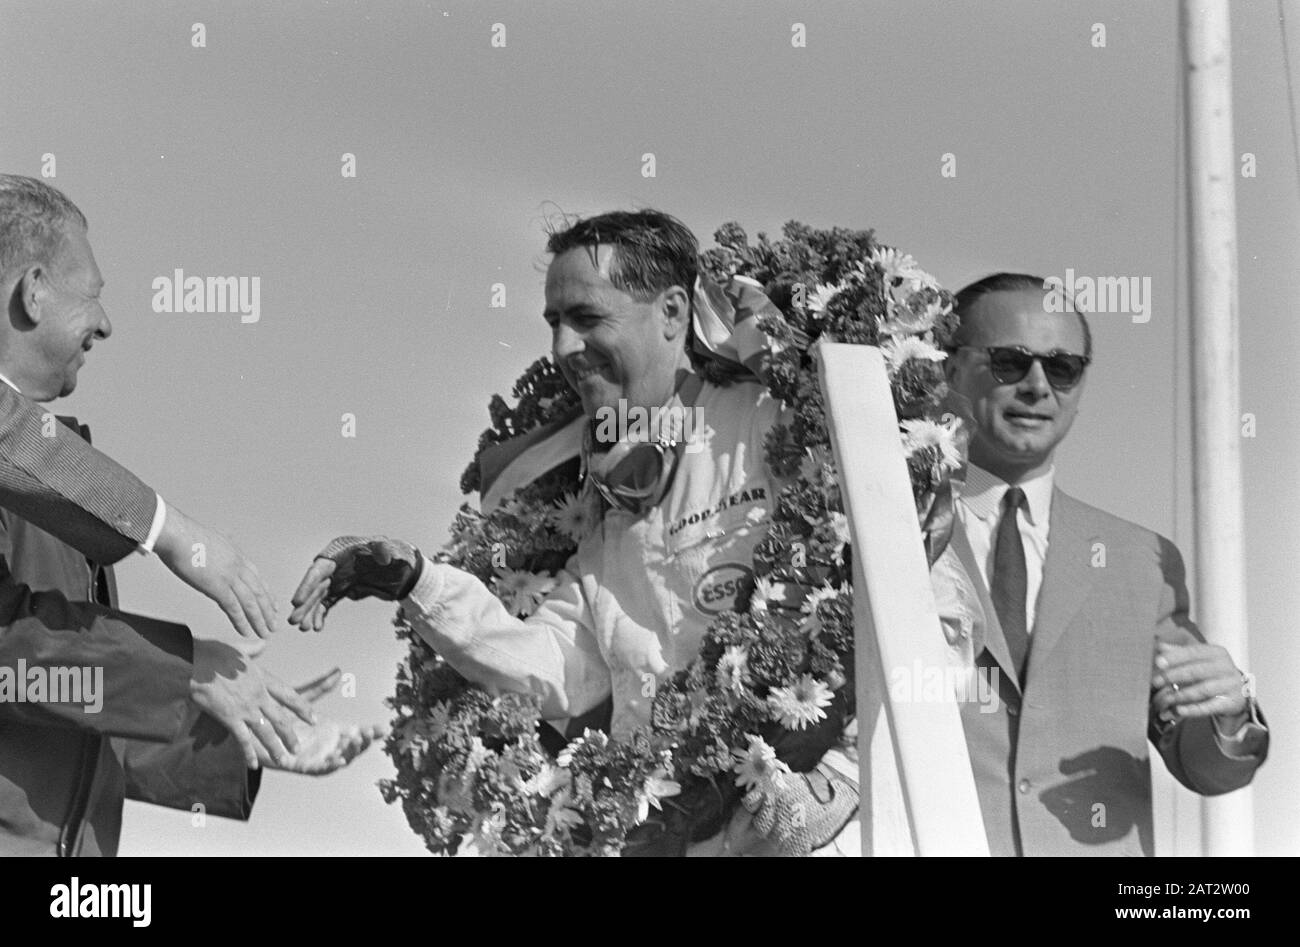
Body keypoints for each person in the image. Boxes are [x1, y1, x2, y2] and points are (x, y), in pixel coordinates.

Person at [291, 209, 859, 856]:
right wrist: (416, 581)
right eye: (554, 323)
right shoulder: (596, 484)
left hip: (821, 831)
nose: (562, 347)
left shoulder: (776, 415)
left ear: (672, 312)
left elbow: (911, 588)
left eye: (587, 318)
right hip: (676, 837)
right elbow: (563, 669)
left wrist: (844, 775)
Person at [0, 174, 382, 855]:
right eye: (93, 294)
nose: (107, 324)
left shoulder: (61, 468)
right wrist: (186, 669)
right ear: (33, 291)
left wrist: (238, 731)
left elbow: (65, 705)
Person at [943, 271, 1268, 856]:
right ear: (949, 370)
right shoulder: (884, 538)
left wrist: (1228, 715)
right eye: (1010, 362)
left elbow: (1209, 767)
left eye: (1062, 367)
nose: (1038, 386)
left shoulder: (1142, 560)